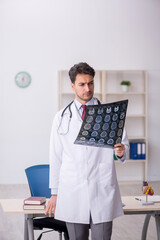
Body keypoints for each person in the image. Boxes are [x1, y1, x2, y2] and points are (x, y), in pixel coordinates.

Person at [45, 62, 129, 240]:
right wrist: (54, 193)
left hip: (102, 186)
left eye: (90, 83)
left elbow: (123, 145)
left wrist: (121, 152)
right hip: (73, 189)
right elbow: (55, 156)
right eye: (82, 84)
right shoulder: (61, 117)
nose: (87, 88)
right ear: (72, 86)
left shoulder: (110, 113)